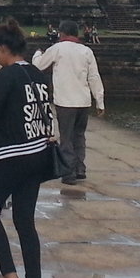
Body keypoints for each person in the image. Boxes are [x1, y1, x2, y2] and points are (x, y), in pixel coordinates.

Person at [0, 20, 55, 278]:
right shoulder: (37, 74)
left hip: (12, 156)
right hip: (38, 154)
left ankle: (10, 277)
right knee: (24, 221)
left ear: (1, 48)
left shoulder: (5, 77)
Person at [32, 20, 104, 185]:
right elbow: (94, 77)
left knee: (66, 138)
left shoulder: (57, 49)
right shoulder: (86, 51)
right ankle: (79, 168)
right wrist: (100, 102)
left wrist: (37, 54)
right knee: (79, 136)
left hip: (65, 101)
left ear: (62, 33)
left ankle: (68, 171)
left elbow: (39, 65)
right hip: (83, 101)